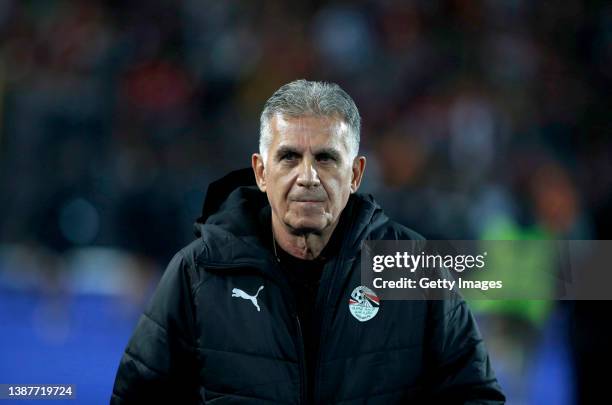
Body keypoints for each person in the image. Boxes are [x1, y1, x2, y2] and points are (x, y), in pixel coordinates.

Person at [111, 79, 505, 404]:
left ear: (355, 174)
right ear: (261, 172)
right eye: (288, 158)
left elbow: (473, 396)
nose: (308, 176)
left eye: (326, 159)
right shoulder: (198, 273)